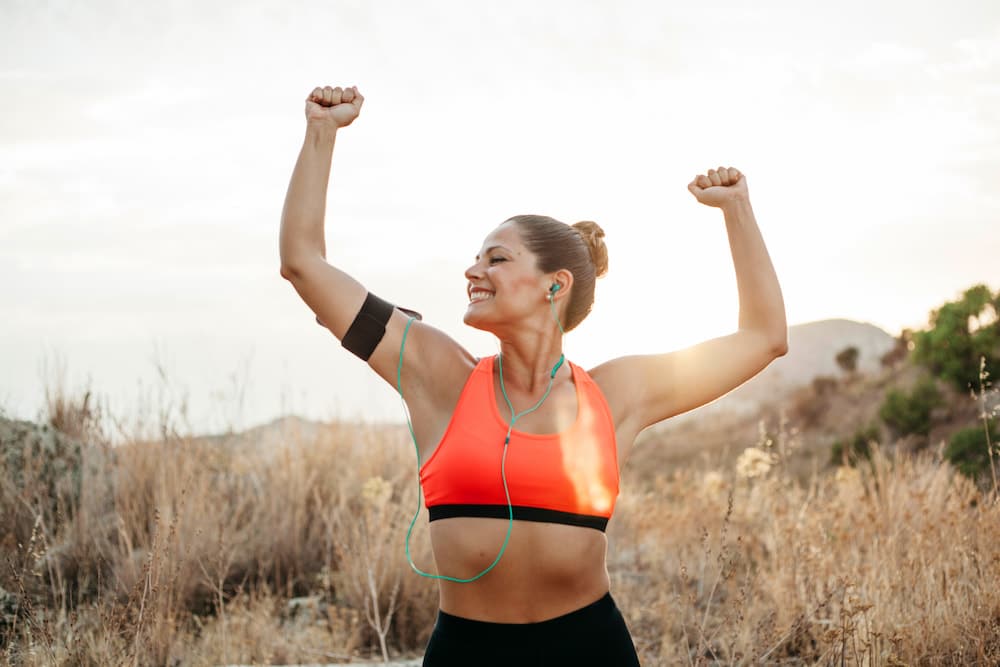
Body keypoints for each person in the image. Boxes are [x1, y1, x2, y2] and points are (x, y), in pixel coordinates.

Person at [279, 84, 788, 666]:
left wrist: (737, 210)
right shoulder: (436, 371)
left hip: (589, 651)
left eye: (496, 258)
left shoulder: (617, 394)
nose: (473, 270)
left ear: (555, 284)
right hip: (467, 654)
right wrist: (321, 132)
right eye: (477, 257)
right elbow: (303, 263)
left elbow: (765, 338)